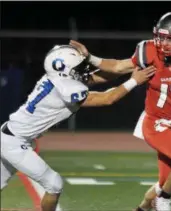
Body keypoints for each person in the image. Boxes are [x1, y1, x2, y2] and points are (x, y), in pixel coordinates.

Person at [70, 11, 171, 211]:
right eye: (161, 38)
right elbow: (117, 67)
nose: (164, 44)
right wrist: (90, 58)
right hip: (155, 122)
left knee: (165, 182)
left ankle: (142, 208)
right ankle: (163, 201)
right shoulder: (148, 51)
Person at [0, 44, 155, 211]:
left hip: (11, 136)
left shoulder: (58, 78)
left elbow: (100, 78)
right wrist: (133, 81)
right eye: (78, 66)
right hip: (15, 143)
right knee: (54, 184)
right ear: (66, 70)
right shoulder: (66, 87)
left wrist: (130, 69)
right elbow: (107, 98)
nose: (83, 69)